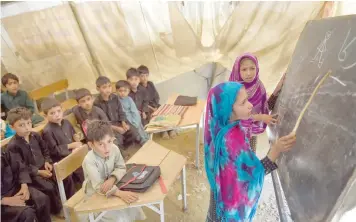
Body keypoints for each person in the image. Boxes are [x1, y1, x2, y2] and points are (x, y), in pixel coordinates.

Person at [204, 82, 296, 222]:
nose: (250, 105)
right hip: (226, 214)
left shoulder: (220, 128)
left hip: (217, 204)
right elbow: (248, 180)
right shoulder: (230, 142)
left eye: (247, 99)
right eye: (243, 103)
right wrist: (275, 151)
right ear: (227, 109)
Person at [81, 120, 146, 222]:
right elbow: (98, 186)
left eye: (109, 141)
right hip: (95, 193)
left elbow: (121, 167)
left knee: (134, 206)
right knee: (119, 218)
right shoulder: (89, 161)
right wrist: (119, 193)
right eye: (100, 144)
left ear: (112, 139)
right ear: (91, 145)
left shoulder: (114, 149)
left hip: (114, 185)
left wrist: (112, 178)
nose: (107, 148)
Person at [6, 107, 63, 216]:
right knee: (49, 187)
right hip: (31, 175)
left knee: (63, 176)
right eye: (21, 125)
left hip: (44, 167)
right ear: (12, 127)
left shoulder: (35, 135)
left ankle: (66, 201)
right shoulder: (13, 146)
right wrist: (38, 172)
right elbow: (20, 167)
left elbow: (45, 149)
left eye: (28, 123)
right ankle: (57, 210)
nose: (27, 128)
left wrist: (47, 161)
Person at [229, 53, 277, 153]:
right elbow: (234, 116)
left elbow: (266, 106)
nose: (249, 73)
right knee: (236, 159)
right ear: (237, 70)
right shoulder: (232, 90)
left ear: (257, 68)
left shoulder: (259, 86)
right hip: (235, 133)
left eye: (252, 68)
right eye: (244, 69)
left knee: (250, 157)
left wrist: (277, 90)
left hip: (251, 134)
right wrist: (260, 118)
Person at [41, 97, 85, 190]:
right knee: (68, 176)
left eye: (58, 111)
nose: (57, 115)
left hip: (72, 153)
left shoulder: (66, 122)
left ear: (62, 110)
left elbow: (73, 135)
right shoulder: (47, 131)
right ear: (46, 116)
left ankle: (87, 187)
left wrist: (76, 138)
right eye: (52, 113)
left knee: (86, 162)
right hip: (60, 159)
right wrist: (72, 145)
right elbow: (54, 151)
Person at [1, 150, 51, 222]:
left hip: (13, 189)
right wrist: (5, 200)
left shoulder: (4, 153)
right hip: (2, 201)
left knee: (42, 198)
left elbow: (20, 167)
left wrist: (24, 185)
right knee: (27, 213)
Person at [94, 76, 141, 148]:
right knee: (116, 140)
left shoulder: (115, 97)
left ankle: (125, 146)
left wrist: (123, 122)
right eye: (104, 87)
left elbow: (121, 111)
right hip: (109, 127)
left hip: (119, 122)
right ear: (98, 89)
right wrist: (117, 128)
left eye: (109, 86)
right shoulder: (96, 103)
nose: (108, 89)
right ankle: (120, 151)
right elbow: (102, 122)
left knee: (134, 132)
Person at [137, 65, 177, 139]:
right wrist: (152, 108)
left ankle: (170, 129)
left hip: (154, 105)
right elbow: (142, 102)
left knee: (164, 111)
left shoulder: (150, 84)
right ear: (138, 77)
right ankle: (163, 131)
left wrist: (155, 106)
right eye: (142, 76)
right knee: (154, 114)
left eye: (146, 75)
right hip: (146, 107)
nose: (144, 78)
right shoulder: (138, 87)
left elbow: (157, 96)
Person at [116, 80, 149, 144]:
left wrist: (135, 121)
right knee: (133, 130)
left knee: (138, 126)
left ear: (129, 91)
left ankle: (144, 139)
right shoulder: (116, 100)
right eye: (120, 91)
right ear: (116, 91)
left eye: (125, 91)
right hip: (123, 119)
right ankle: (139, 139)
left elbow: (134, 111)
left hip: (132, 116)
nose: (122, 93)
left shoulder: (129, 99)